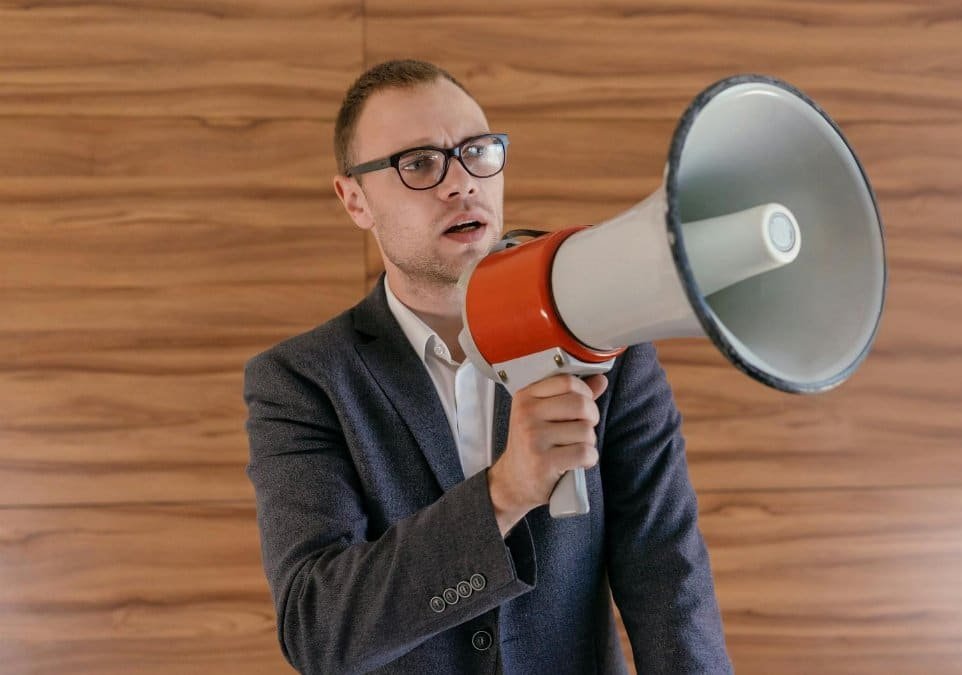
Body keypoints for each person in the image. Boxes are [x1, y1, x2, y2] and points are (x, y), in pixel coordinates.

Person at [243, 59, 731, 674]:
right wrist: (504, 493)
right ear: (355, 200)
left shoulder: (603, 335)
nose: (461, 183)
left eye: (476, 151)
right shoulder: (301, 382)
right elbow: (319, 632)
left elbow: (668, 576)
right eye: (418, 163)